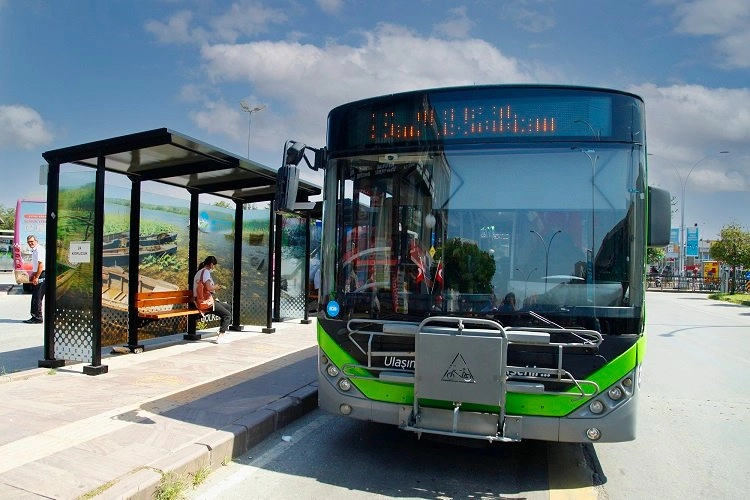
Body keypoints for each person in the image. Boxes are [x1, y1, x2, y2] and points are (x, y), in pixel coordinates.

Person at [193, 256, 232, 343]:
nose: (214, 267)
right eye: (214, 265)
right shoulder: (206, 272)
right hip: (205, 302)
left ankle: (222, 329)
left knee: (227, 307)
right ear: (211, 264)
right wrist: (216, 287)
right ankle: (221, 336)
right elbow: (208, 288)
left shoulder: (199, 272)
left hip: (199, 300)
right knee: (227, 315)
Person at [23, 235, 45, 324]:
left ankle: (38, 318)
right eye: (29, 242)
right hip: (39, 274)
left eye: (32, 241)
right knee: (35, 297)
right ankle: (35, 316)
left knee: (37, 297)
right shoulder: (34, 250)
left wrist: (37, 277)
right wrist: (33, 274)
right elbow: (36, 265)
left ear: (36, 241)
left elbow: (41, 265)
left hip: (42, 274)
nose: (30, 243)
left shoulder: (39, 250)